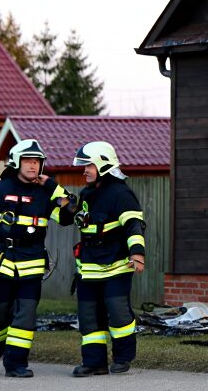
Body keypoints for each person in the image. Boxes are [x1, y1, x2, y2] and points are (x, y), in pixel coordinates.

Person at [0, 138, 73, 378]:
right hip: (1, 262)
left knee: (26, 314)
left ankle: (16, 363)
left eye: (37, 162)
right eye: (28, 161)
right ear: (15, 163)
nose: (33, 166)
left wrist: (53, 186)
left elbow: (68, 215)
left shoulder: (45, 194)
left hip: (31, 264)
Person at [70, 141, 146, 377]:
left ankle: (123, 358)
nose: (84, 170)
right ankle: (94, 362)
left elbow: (134, 225)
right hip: (89, 267)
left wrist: (137, 253)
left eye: (88, 166)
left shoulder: (120, 193)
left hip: (116, 265)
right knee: (88, 315)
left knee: (118, 311)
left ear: (102, 164)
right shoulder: (87, 194)